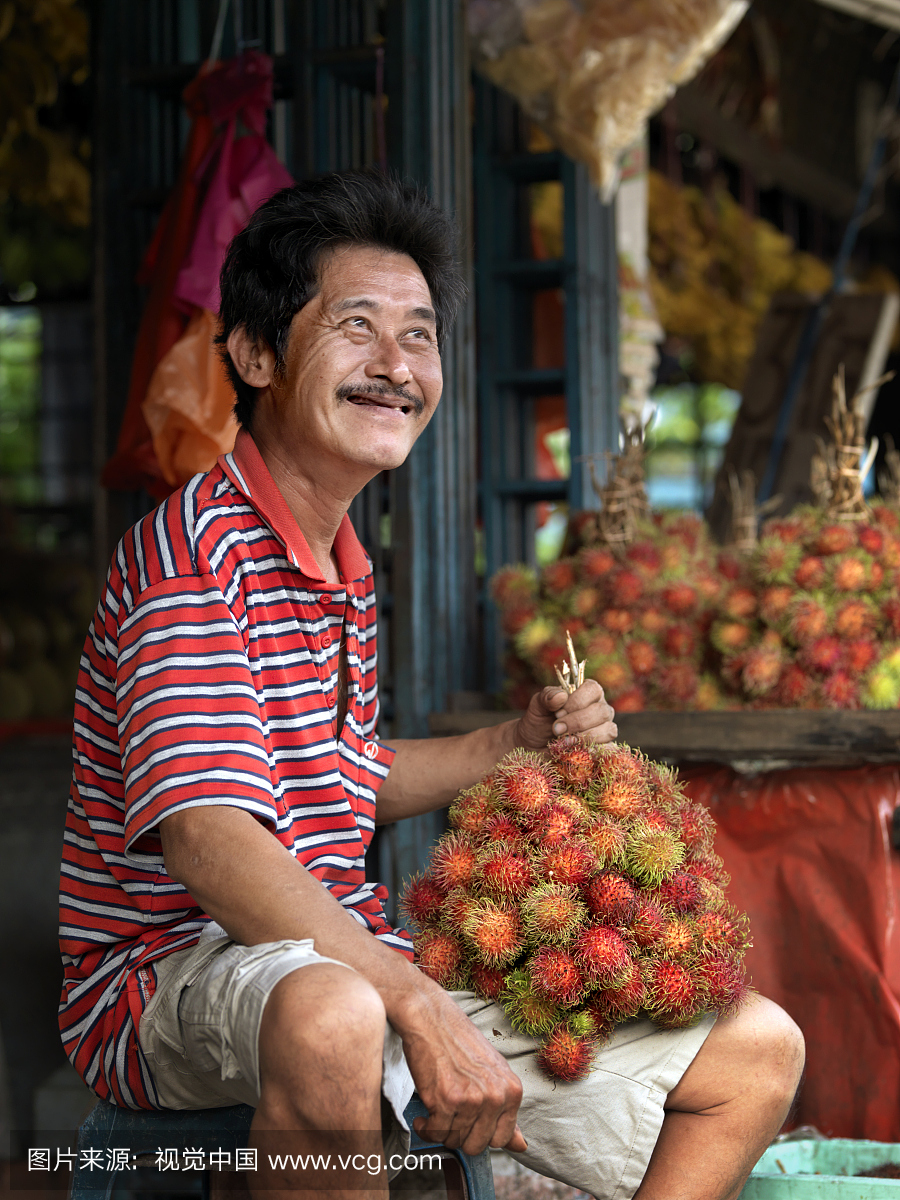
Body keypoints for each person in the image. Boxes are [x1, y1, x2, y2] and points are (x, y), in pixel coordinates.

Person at [60, 170, 804, 1200]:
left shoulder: (340, 558)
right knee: (337, 1014)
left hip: (332, 947)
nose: (396, 364)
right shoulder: (196, 555)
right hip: (166, 975)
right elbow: (211, 835)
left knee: (756, 1049)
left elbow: (334, 775)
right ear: (257, 354)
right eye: (357, 326)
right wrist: (414, 999)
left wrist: (517, 741)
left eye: (418, 335)